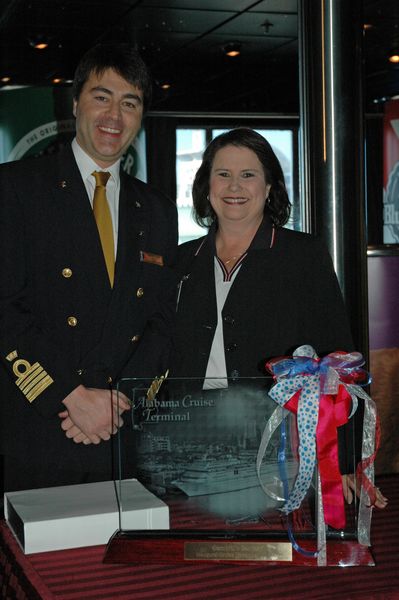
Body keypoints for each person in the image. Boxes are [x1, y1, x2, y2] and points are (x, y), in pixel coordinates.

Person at [170, 127, 387, 508]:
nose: (234, 186)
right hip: (190, 441)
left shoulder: (302, 255)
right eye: (223, 174)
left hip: (277, 442)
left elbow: (339, 357)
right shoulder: (180, 260)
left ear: (269, 186)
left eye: (248, 174)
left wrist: (348, 458)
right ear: (206, 186)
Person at [0, 43, 178, 492]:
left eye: (130, 103)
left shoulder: (156, 208)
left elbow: (160, 319)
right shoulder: (16, 189)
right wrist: (68, 395)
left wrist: (122, 403)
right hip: (41, 424)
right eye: (102, 97)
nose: (114, 115)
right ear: (75, 101)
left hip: (123, 434)